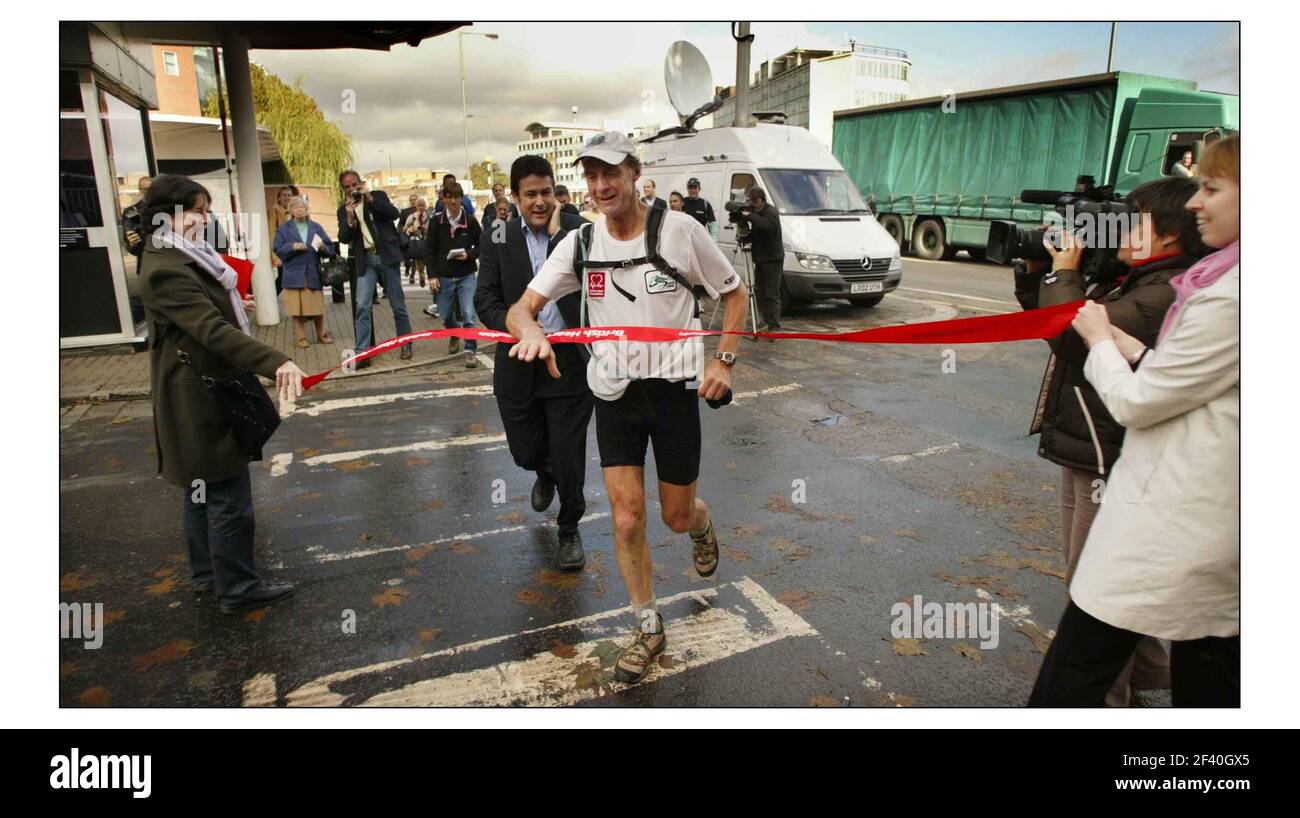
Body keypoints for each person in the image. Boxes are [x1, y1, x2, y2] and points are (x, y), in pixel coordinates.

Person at [506, 131, 748, 685]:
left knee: (676, 515)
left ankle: (702, 524)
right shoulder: (580, 242)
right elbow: (522, 309)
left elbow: (735, 294)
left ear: (635, 173)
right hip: (613, 393)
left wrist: (725, 361)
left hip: (673, 392)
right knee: (625, 516)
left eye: (610, 173)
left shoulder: (681, 231)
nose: (600, 186)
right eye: (590, 176)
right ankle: (647, 623)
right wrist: (532, 332)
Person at [1029, 135, 1239, 707]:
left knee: (1091, 624)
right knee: (1196, 651)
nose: (1199, 203)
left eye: (1214, 189)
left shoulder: (1206, 293)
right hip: (1104, 459)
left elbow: (1125, 387)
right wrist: (1043, 271)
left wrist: (1097, 334)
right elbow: (1055, 321)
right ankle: (1149, 680)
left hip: (1141, 480)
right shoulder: (1194, 282)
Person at [136, 174, 304, 615]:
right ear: (167, 214)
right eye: (196, 211)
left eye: (206, 211)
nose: (203, 220)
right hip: (198, 394)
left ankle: (208, 576)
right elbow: (209, 330)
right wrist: (275, 361)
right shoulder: (166, 266)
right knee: (227, 494)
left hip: (192, 385)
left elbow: (204, 311)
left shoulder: (172, 252)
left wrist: (236, 305)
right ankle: (238, 590)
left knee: (200, 491)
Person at [475, 155, 594, 570]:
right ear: (514, 197)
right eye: (530, 195)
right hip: (518, 359)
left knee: (569, 454)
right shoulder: (498, 236)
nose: (539, 202)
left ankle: (569, 528)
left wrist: (564, 234)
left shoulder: (579, 230)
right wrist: (520, 328)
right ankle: (542, 471)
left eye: (546, 192)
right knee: (526, 451)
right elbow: (484, 299)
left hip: (570, 363)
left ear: (555, 191)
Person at [336, 169, 414, 367]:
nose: (352, 189)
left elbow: (393, 214)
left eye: (354, 184)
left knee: (398, 304)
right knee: (362, 305)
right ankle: (362, 352)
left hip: (386, 256)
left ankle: (405, 342)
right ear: (343, 190)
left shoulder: (377, 196)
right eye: (347, 187)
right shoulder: (343, 209)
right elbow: (344, 237)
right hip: (366, 261)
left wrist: (369, 198)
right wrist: (349, 217)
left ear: (360, 182)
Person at [426, 181, 482, 368]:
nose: (453, 201)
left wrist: (469, 255)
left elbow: (482, 246)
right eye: (449, 197)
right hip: (444, 277)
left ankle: (470, 350)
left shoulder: (471, 221)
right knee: (445, 315)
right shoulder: (436, 222)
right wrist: (432, 276)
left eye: (457, 197)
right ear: (443, 199)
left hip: (466, 275)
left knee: (468, 314)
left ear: (462, 199)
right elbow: (430, 251)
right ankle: (454, 333)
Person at [274, 196, 337, 349]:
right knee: (297, 308)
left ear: (307, 209)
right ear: (290, 210)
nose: (299, 209)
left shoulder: (316, 227)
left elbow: (330, 249)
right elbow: (277, 248)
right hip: (294, 273)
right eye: (295, 207)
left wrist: (323, 247)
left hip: (313, 272)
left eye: (302, 207)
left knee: (317, 307)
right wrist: (293, 246)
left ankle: (321, 335)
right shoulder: (283, 229)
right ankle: (301, 337)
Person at [732, 184, 784, 333]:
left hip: (773, 259)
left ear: (762, 200)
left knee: (772, 293)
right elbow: (754, 231)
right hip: (760, 258)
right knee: (760, 291)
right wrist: (742, 220)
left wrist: (750, 216)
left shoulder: (771, 212)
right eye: (751, 201)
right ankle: (764, 321)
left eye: (755, 201)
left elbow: (767, 226)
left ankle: (774, 327)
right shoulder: (755, 211)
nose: (753, 204)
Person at [268, 185, 300, 294]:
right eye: (284, 195)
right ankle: (269, 297)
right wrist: (275, 256)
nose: (287, 197)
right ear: (279, 198)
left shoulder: (295, 212)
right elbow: (272, 234)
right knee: (283, 279)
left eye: (289, 195)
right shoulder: (275, 212)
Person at [402, 197, 431, 287]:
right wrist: (410, 229)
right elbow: (405, 229)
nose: (421, 207)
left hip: (428, 242)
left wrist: (427, 229)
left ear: (425, 206)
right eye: (419, 206)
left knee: (429, 263)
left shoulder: (429, 216)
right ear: (416, 206)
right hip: (418, 243)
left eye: (422, 205)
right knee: (420, 263)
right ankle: (422, 276)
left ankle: (431, 280)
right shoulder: (412, 217)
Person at [122, 175, 152, 258]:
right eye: (146, 189)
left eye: (152, 189)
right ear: (140, 190)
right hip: (146, 260)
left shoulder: (166, 208)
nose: (150, 192)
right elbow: (129, 242)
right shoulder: (132, 212)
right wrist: (133, 244)